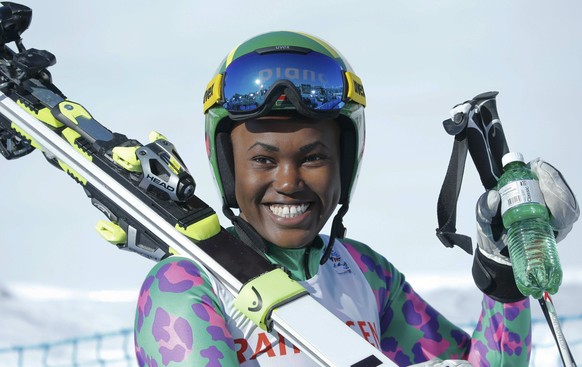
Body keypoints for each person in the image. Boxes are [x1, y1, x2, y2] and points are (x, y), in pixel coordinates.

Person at [133, 31, 579, 366]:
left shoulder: (366, 273)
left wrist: (503, 272)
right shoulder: (184, 285)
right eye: (264, 161)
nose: (288, 182)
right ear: (230, 169)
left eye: (313, 158)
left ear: (344, 166)